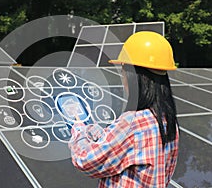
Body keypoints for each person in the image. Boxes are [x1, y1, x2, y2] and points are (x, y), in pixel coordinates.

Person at [68, 31, 179, 187]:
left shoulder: (133, 123)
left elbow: (86, 160)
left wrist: (78, 130)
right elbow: (127, 148)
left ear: (134, 76)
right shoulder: (167, 120)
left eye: (123, 71)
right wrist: (93, 131)